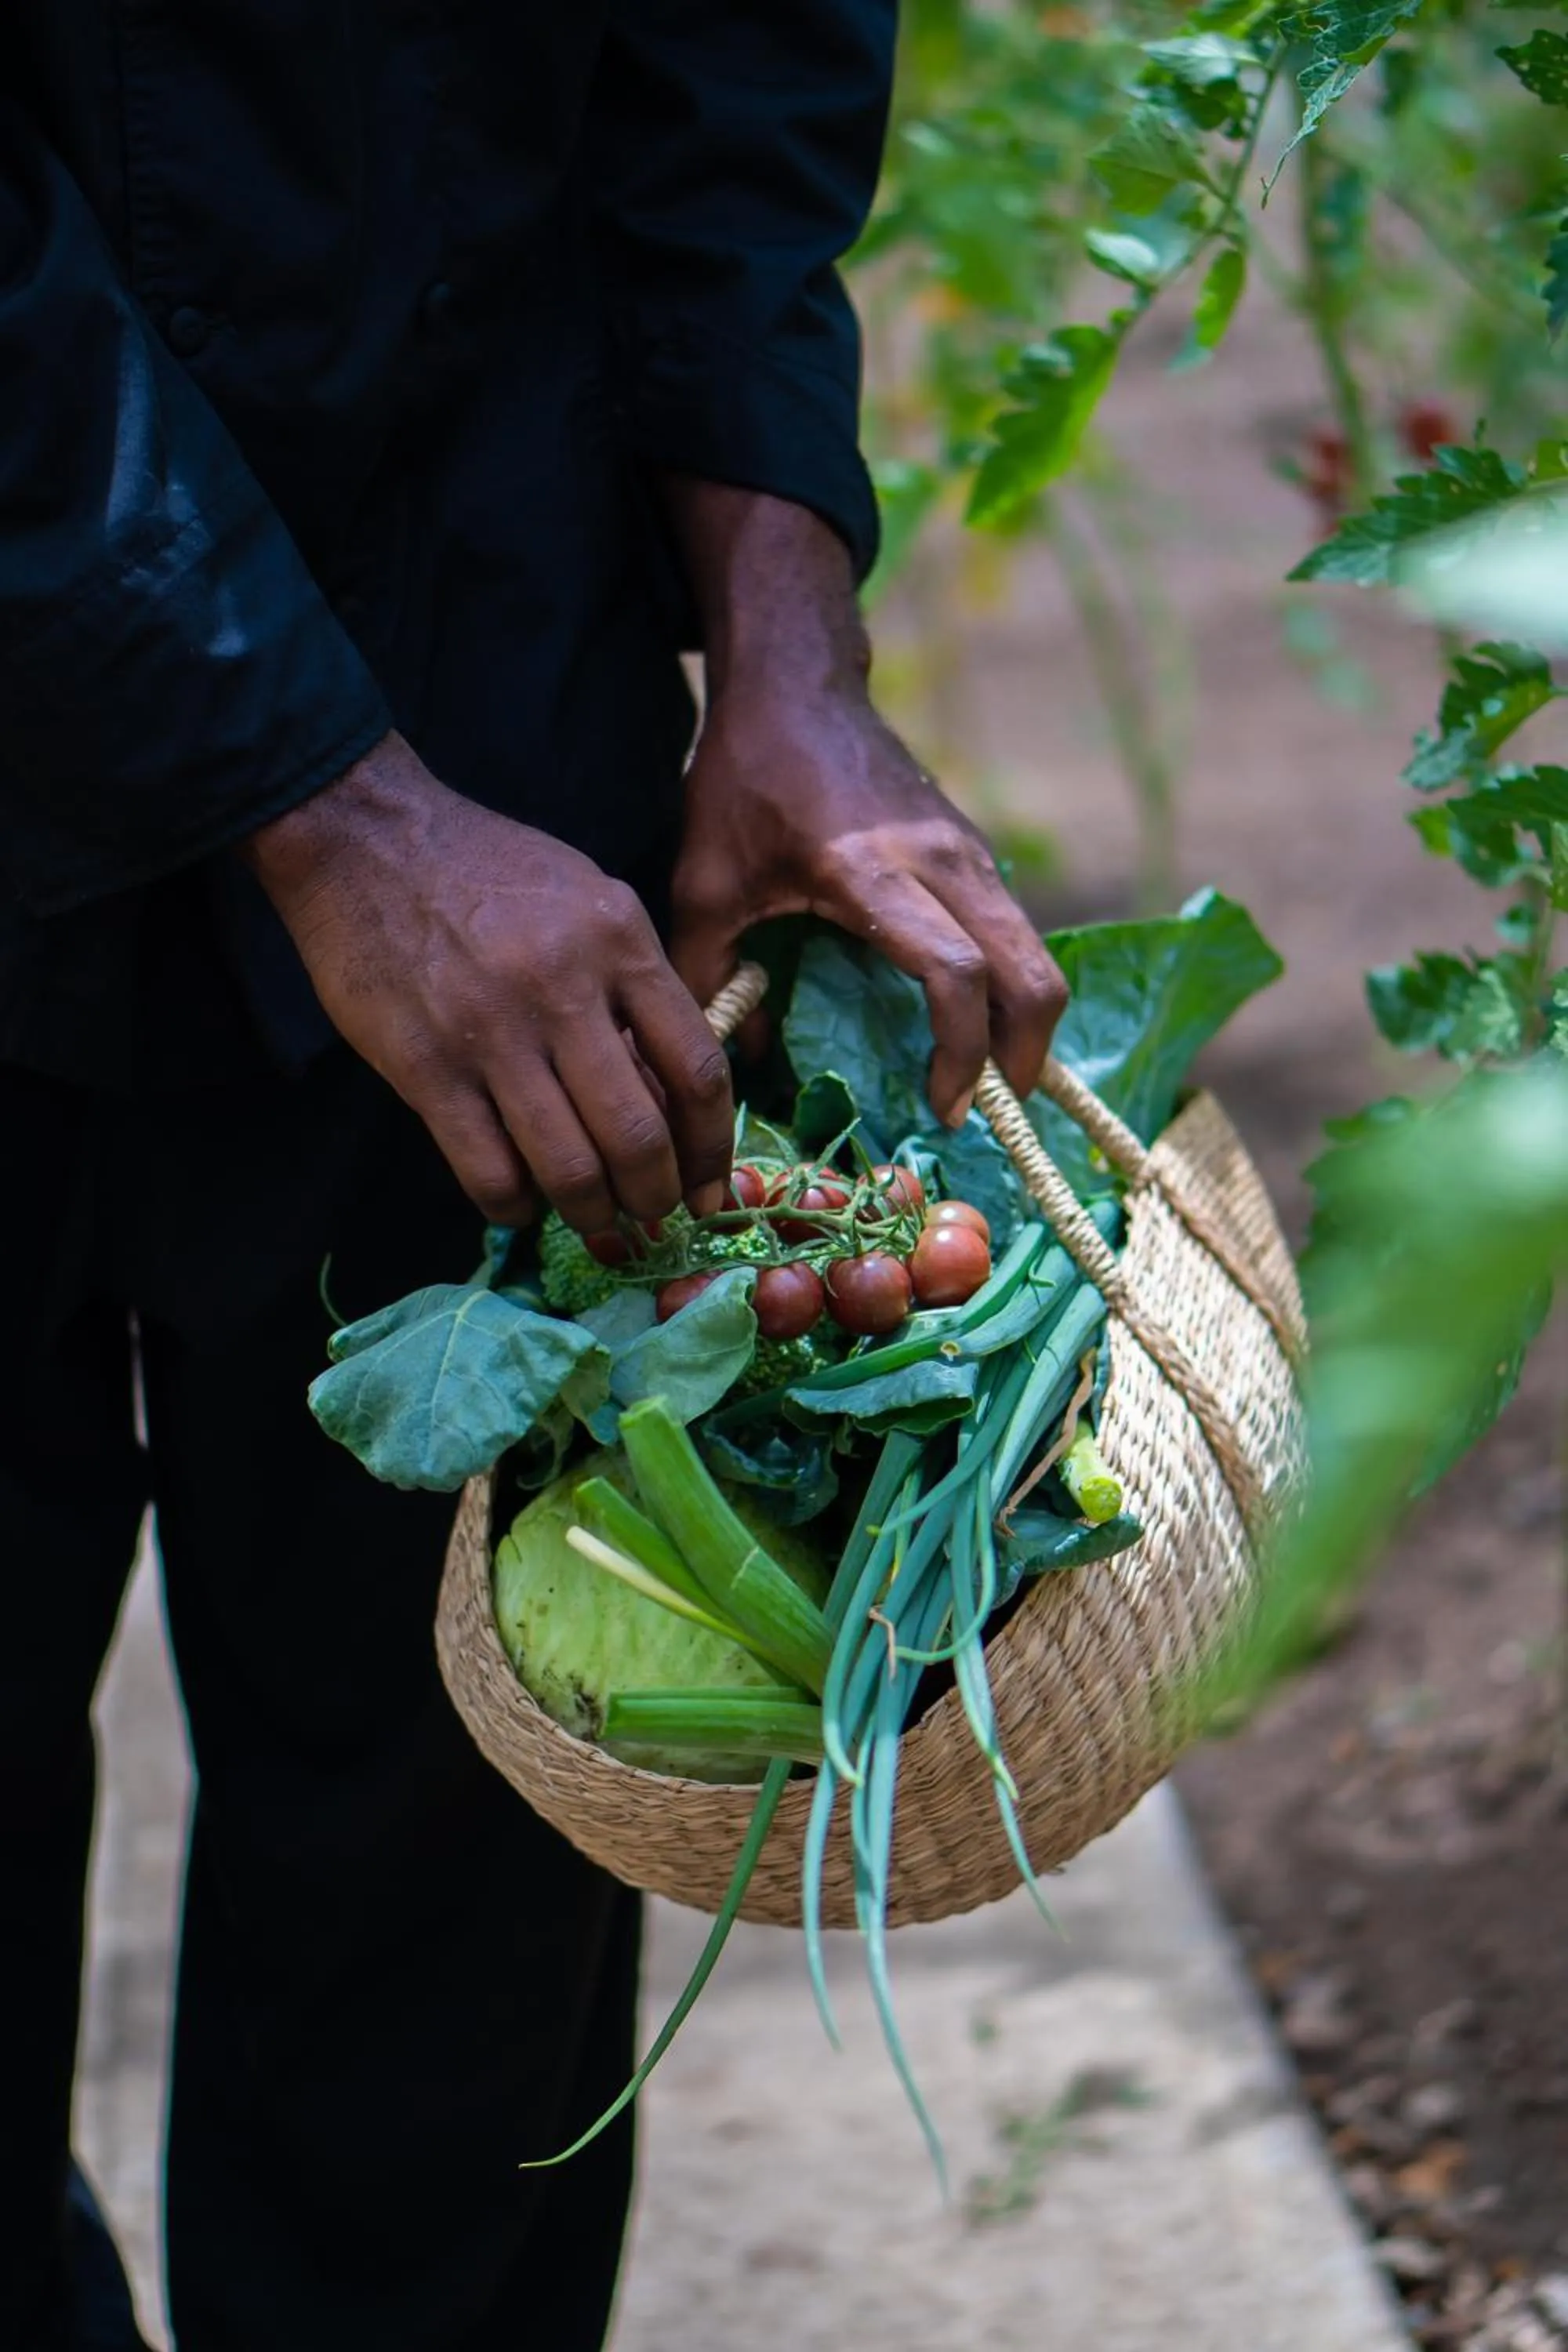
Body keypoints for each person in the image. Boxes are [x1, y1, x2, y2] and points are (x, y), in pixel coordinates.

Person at [1, 9, 1065, 2349]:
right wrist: (325, 801)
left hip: (506, 757)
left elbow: (742, 49)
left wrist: (786, 626)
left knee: (443, 1994)